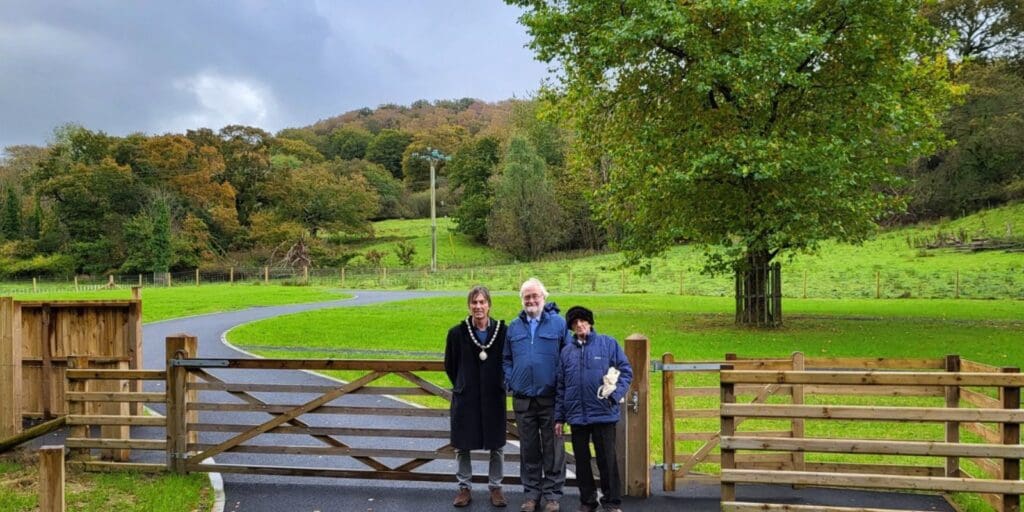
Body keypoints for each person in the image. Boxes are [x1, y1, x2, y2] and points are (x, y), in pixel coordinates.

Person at [555, 306, 633, 512]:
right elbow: (561, 386)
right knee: (581, 462)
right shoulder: (566, 352)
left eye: (583, 321)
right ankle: (588, 501)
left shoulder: (608, 344)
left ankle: (612, 502)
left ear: (590, 322)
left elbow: (626, 371)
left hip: (603, 413)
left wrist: (614, 396)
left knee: (607, 460)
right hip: (576, 415)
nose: (580, 325)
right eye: (575, 323)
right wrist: (559, 418)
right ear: (571, 327)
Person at [503, 278, 567, 512]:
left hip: (550, 399)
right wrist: (511, 379)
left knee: (553, 449)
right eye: (526, 297)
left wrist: (561, 386)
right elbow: (506, 359)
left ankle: (552, 496)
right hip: (523, 400)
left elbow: (567, 357)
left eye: (535, 296)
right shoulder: (514, 327)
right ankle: (531, 495)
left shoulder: (558, 324)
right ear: (522, 300)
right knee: (528, 449)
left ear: (543, 297)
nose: (531, 300)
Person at [445, 285, 510, 508]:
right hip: (467, 396)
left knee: (497, 444)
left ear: (489, 305)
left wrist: (500, 383)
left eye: (482, 302)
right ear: (469, 305)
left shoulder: (503, 332)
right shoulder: (456, 333)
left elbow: (509, 361)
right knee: (462, 444)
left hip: (493, 395)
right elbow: (450, 365)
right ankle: (464, 487)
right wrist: (463, 384)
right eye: (474, 302)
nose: (478, 306)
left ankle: (496, 487)